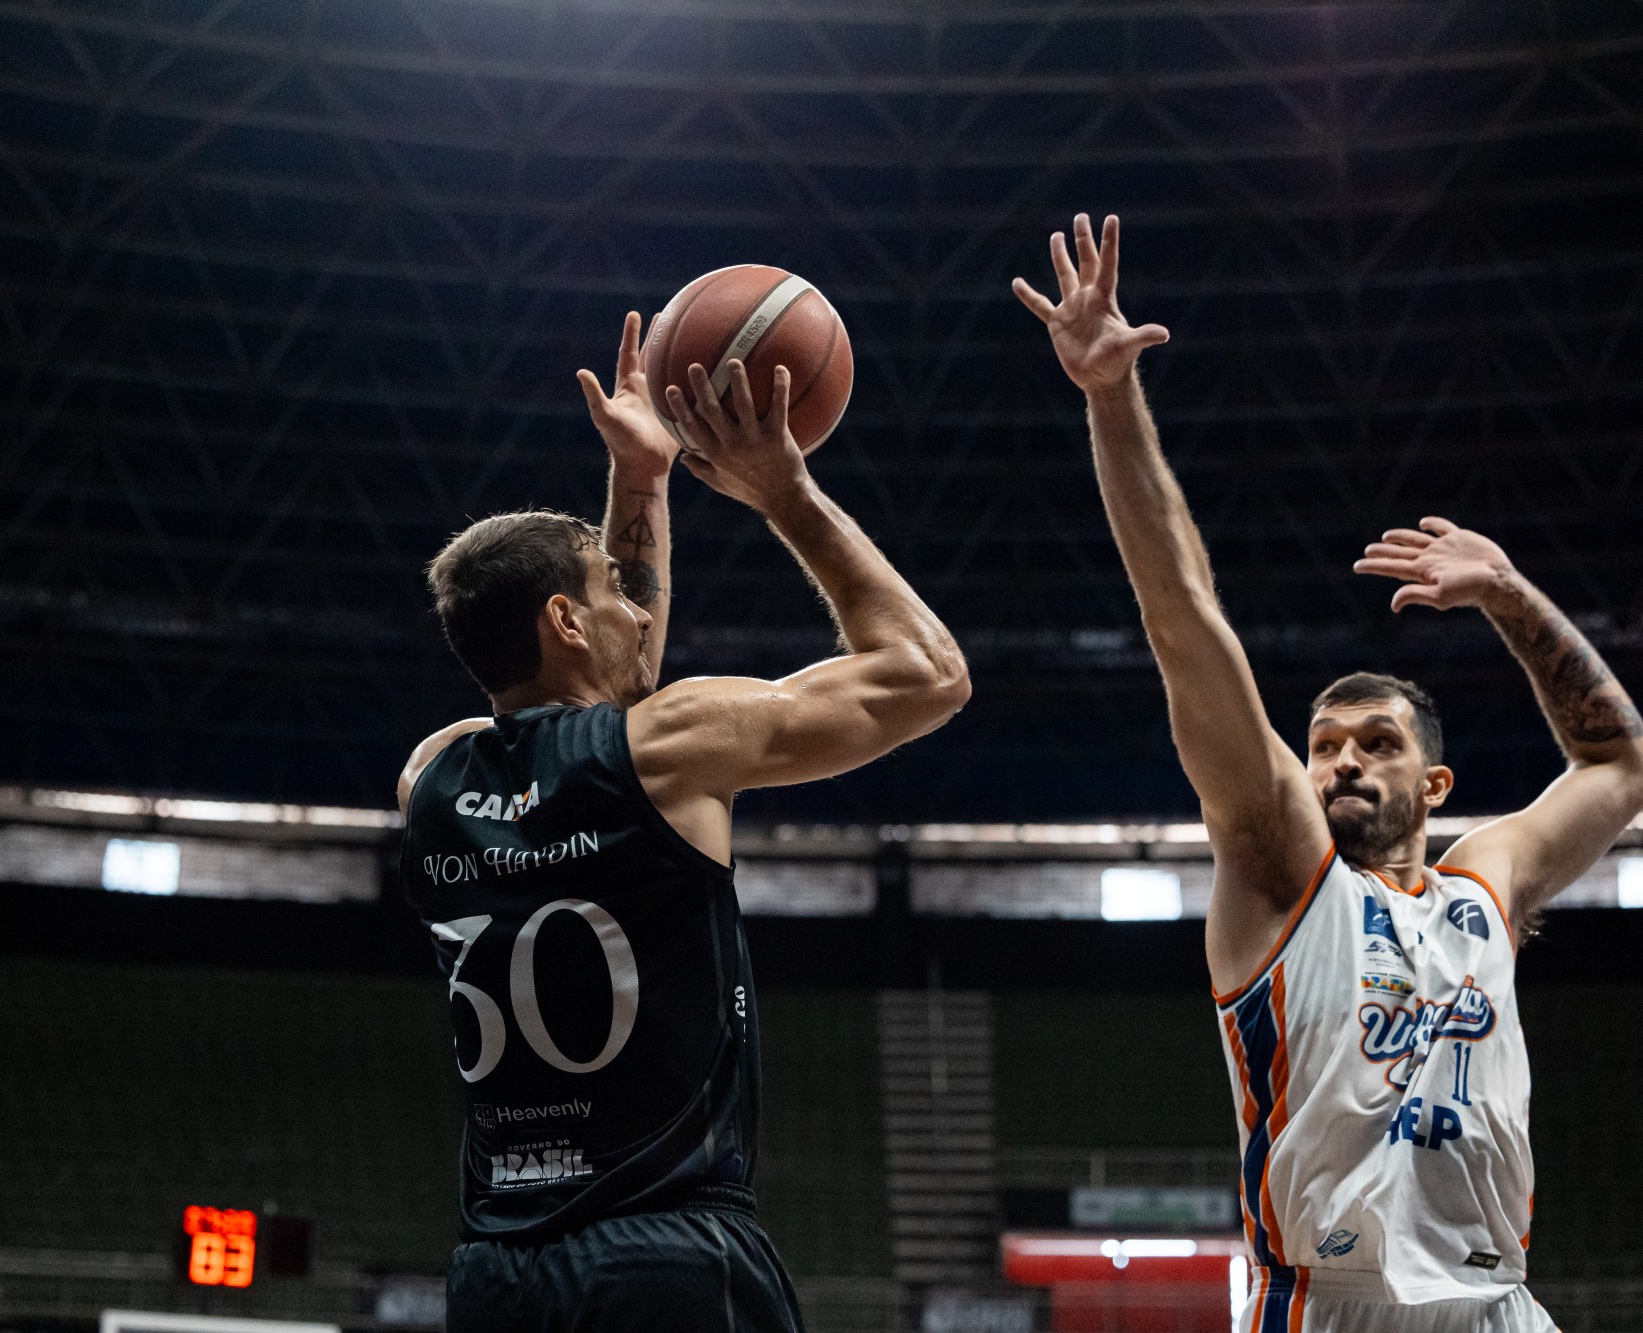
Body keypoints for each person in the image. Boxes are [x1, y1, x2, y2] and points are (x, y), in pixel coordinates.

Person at [1015, 214, 1643, 1331]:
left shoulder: (1480, 887)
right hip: (1333, 1305)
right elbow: (1182, 620)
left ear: (1435, 789)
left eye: (1375, 742)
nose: (1340, 760)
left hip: (1502, 1303)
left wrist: (1506, 592)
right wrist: (1110, 401)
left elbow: (1618, 757)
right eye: (1323, 745)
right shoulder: (1278, 871)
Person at [396, 312, 970, 1332]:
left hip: (494, 1272)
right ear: (567, 621)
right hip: (662, 1253)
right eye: (612, 591)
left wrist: (642, 476)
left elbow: (608, 697)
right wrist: (783, 493)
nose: (633, 605)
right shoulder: (670, 746)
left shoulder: (430, 777)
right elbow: (928, 675)